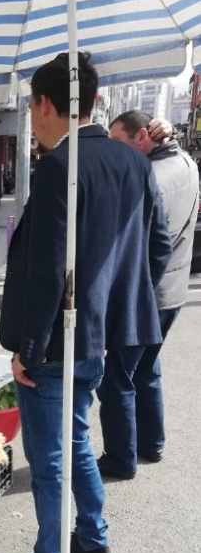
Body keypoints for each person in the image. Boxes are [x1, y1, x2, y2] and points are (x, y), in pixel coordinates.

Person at [0, 52, 172, 553]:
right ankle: (93, 540)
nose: (32, 116)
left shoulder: (58, 168)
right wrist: (112, 298)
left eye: (31, 106)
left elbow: (49, 267)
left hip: (55, 339)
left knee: (49, 453)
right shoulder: (135, 162)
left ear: (47, 104)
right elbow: (156, 248)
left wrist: (28, 346)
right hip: (103, 333)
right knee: (73, 439)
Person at [97, 110, 200, 478]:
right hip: (172, 294)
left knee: (116, 378)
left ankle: (121, 459)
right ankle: (151, 443)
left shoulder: (148, 178)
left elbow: (145, 249)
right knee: (146, 370)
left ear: (142, 137)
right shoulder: (186, 162)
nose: (113, 150)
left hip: (146, 298)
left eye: (118, 142)